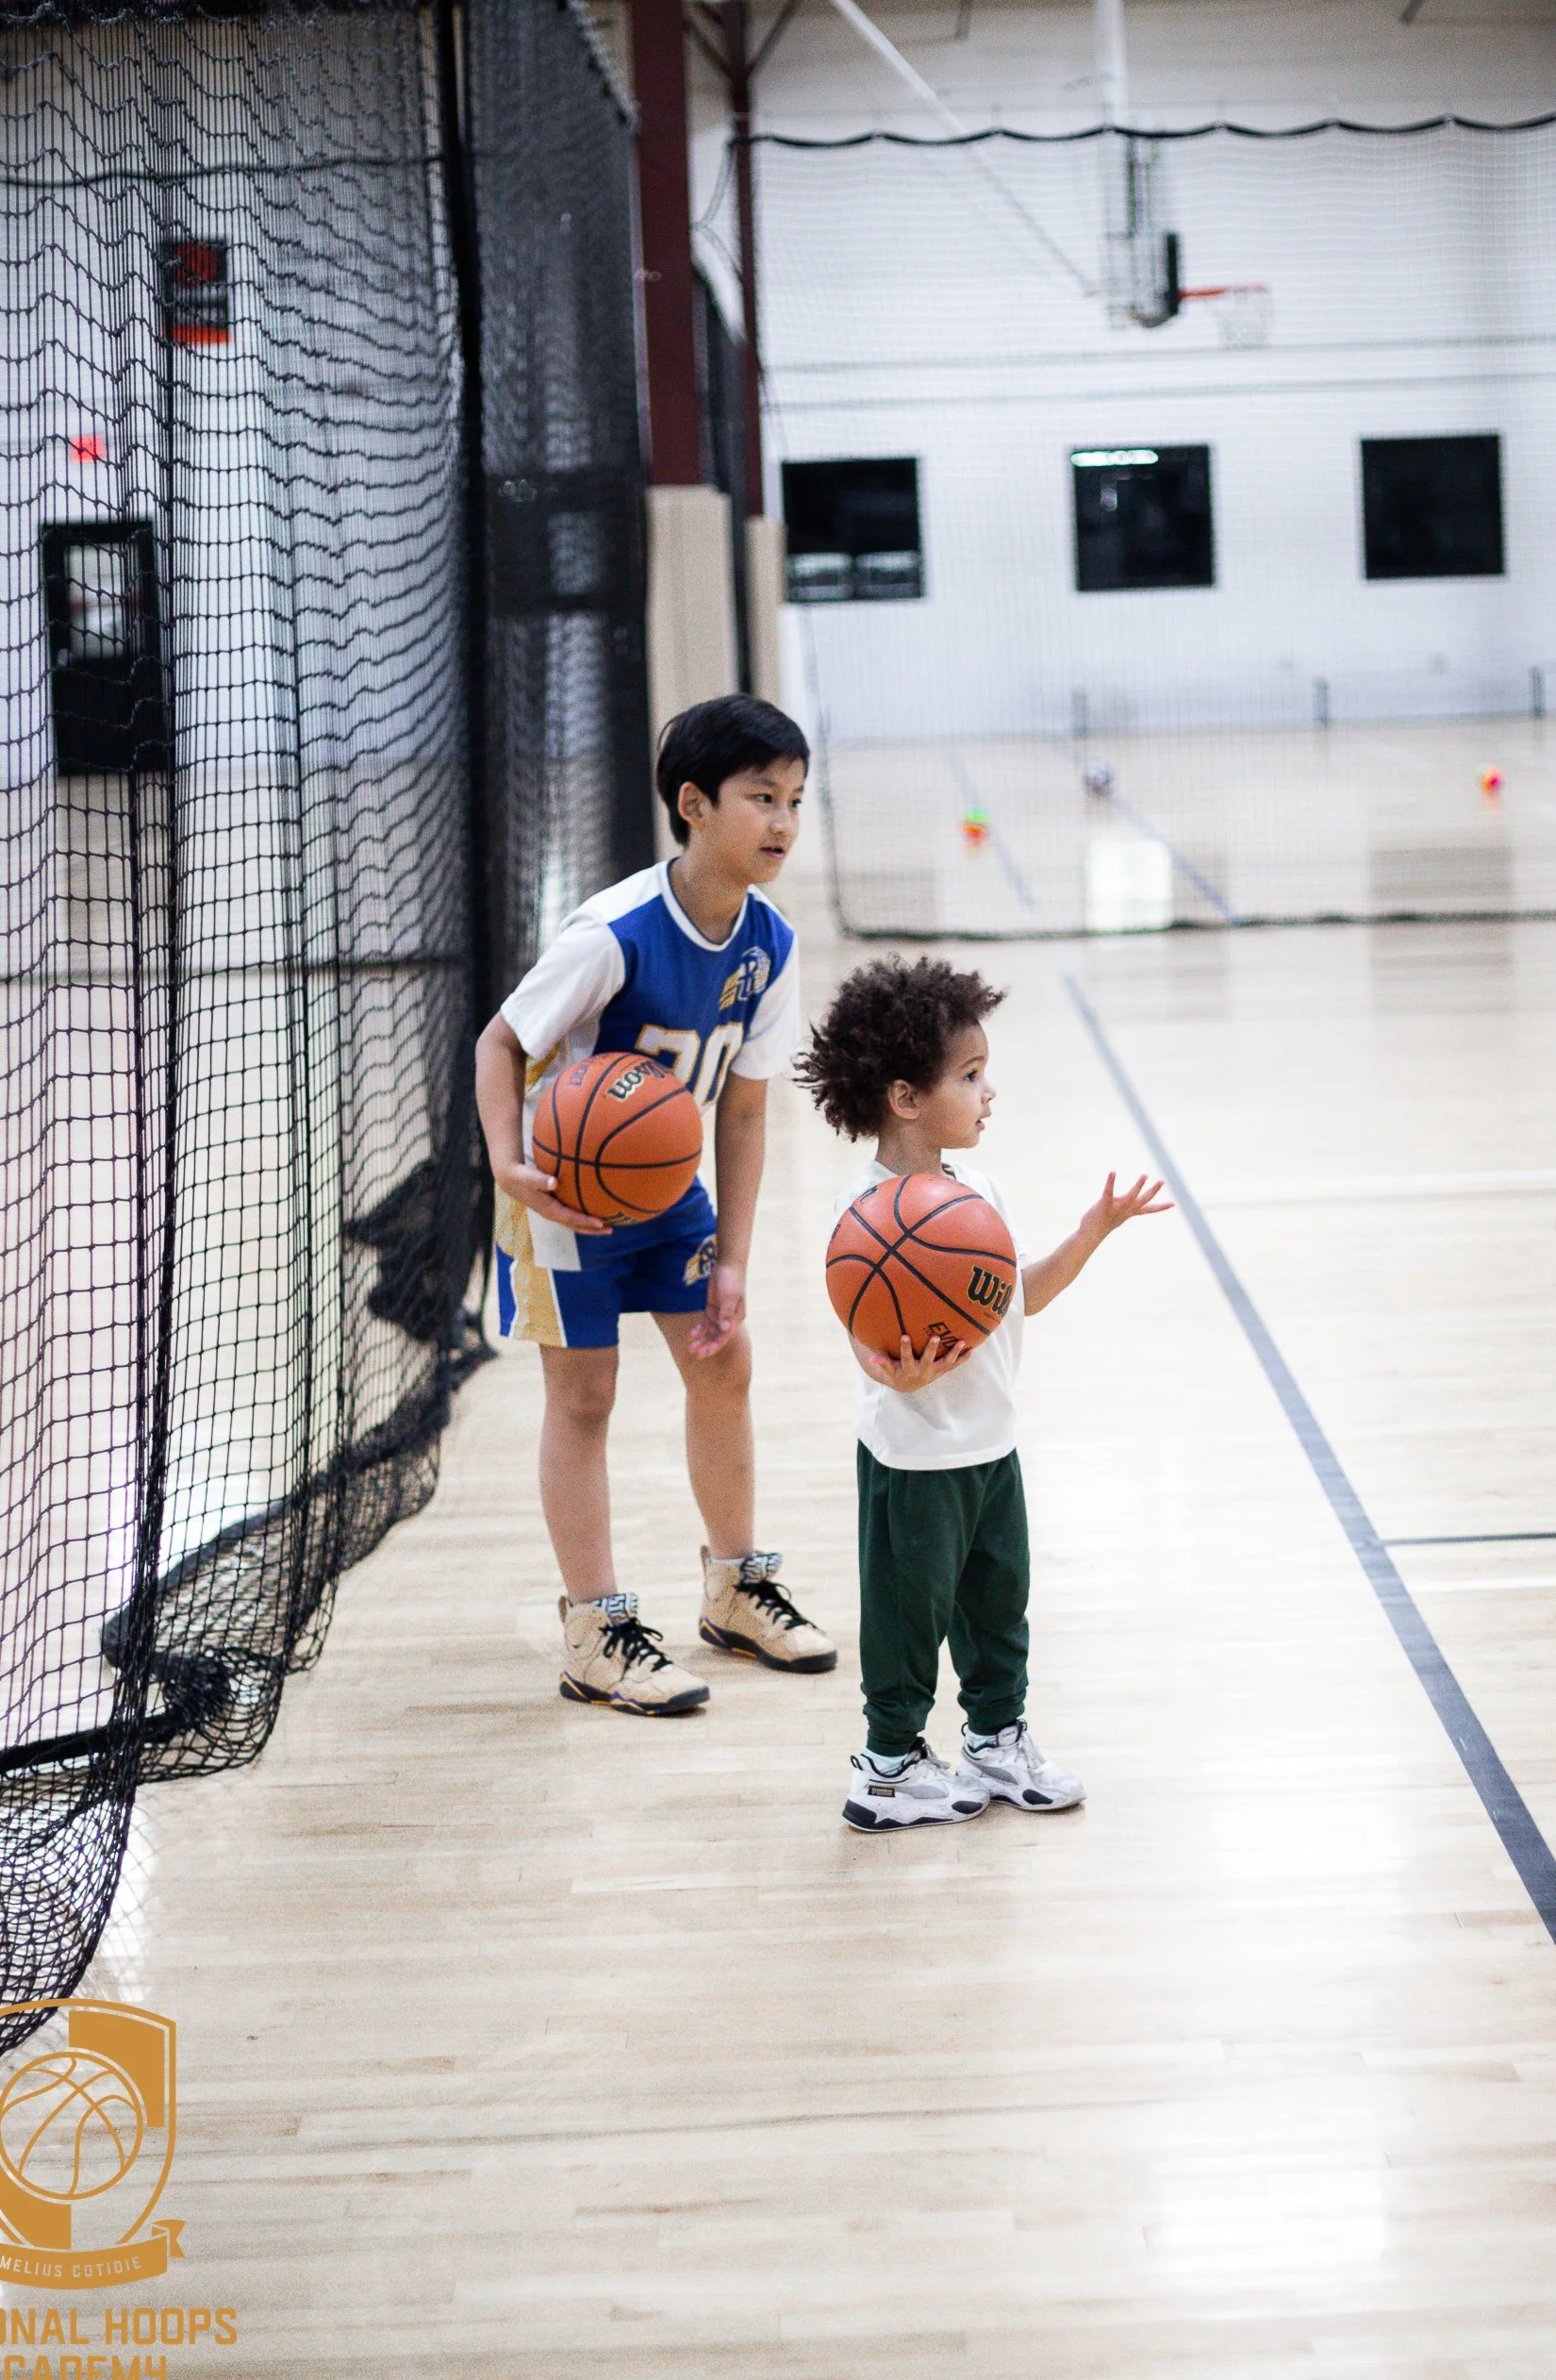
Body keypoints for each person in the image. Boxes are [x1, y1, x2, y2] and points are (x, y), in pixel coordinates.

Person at [474, 695, 836, 1715]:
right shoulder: (614, 933)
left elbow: (748, 1112)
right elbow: (497, 1044)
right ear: (694, 804)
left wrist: (731, 1256)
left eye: (795, 801)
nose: (781, 823)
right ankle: (596, 1628)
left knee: (726, 1362)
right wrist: (508, 1161)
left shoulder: (770, 941)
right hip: (565, 1199)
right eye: (761, 798)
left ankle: (736, 1588)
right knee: (584, 1398)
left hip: (670, 1195)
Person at [797, 956, 1169, 1831]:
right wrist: (896, 1371)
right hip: (915, 1461)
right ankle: (886, 1768)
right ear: (905, 1098)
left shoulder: (975, 1194)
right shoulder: (866, 1215)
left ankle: (996, 1739)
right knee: (906, 1622)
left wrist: (1090, 1234)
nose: (989, 1091)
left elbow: (1020, 1294)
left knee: (999, 1609)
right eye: (970, 1076)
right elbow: (864, 1338)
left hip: (991, 1449)